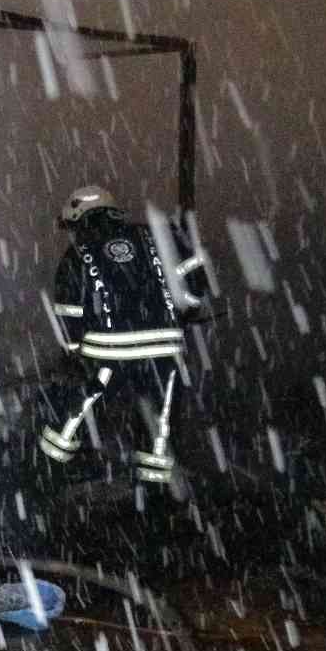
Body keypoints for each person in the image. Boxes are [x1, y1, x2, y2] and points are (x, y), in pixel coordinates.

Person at [40, 185, 207, 485]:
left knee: (74, 414)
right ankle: (156, 499)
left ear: (80, 218)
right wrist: (186, 312)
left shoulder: (77, 253)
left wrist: (74, 350)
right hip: (164, 352)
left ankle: (46, 473)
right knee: (161, 425)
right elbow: (195, 277)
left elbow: (67, 312)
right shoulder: (156, 235)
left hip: (106, 356)